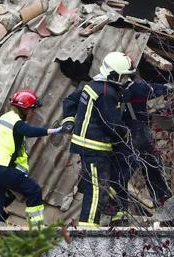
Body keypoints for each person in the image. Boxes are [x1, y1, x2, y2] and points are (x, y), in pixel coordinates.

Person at [61, 52, 135, 227]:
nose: (125, 80)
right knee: (95, 189)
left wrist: (69, 121)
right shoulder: (106, 93)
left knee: (107, 183)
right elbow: (111, 124)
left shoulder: (94, 86)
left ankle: (118, 217)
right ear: (113, 74)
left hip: (90, 146)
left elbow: (70, 101)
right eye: (123, 76)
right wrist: (126, 135)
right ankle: (88, 228)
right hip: (95, 147)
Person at [0, 89, 62, 228]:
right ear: (23, 108)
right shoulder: (16, 123)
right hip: (2, 168)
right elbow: (29, 131)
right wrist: (54, 130)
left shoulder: (4, 118)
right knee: (34, 190)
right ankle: (36, 228)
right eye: (31, 109)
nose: (32, 112)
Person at [109, 76, 173, 225]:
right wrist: (169, 88)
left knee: (121, 176)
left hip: (126, 138)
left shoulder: (111, 91)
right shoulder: (138, 88)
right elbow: (157, 89)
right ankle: (164, 205)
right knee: (152, 171)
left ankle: (120, 216)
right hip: (140, 136)